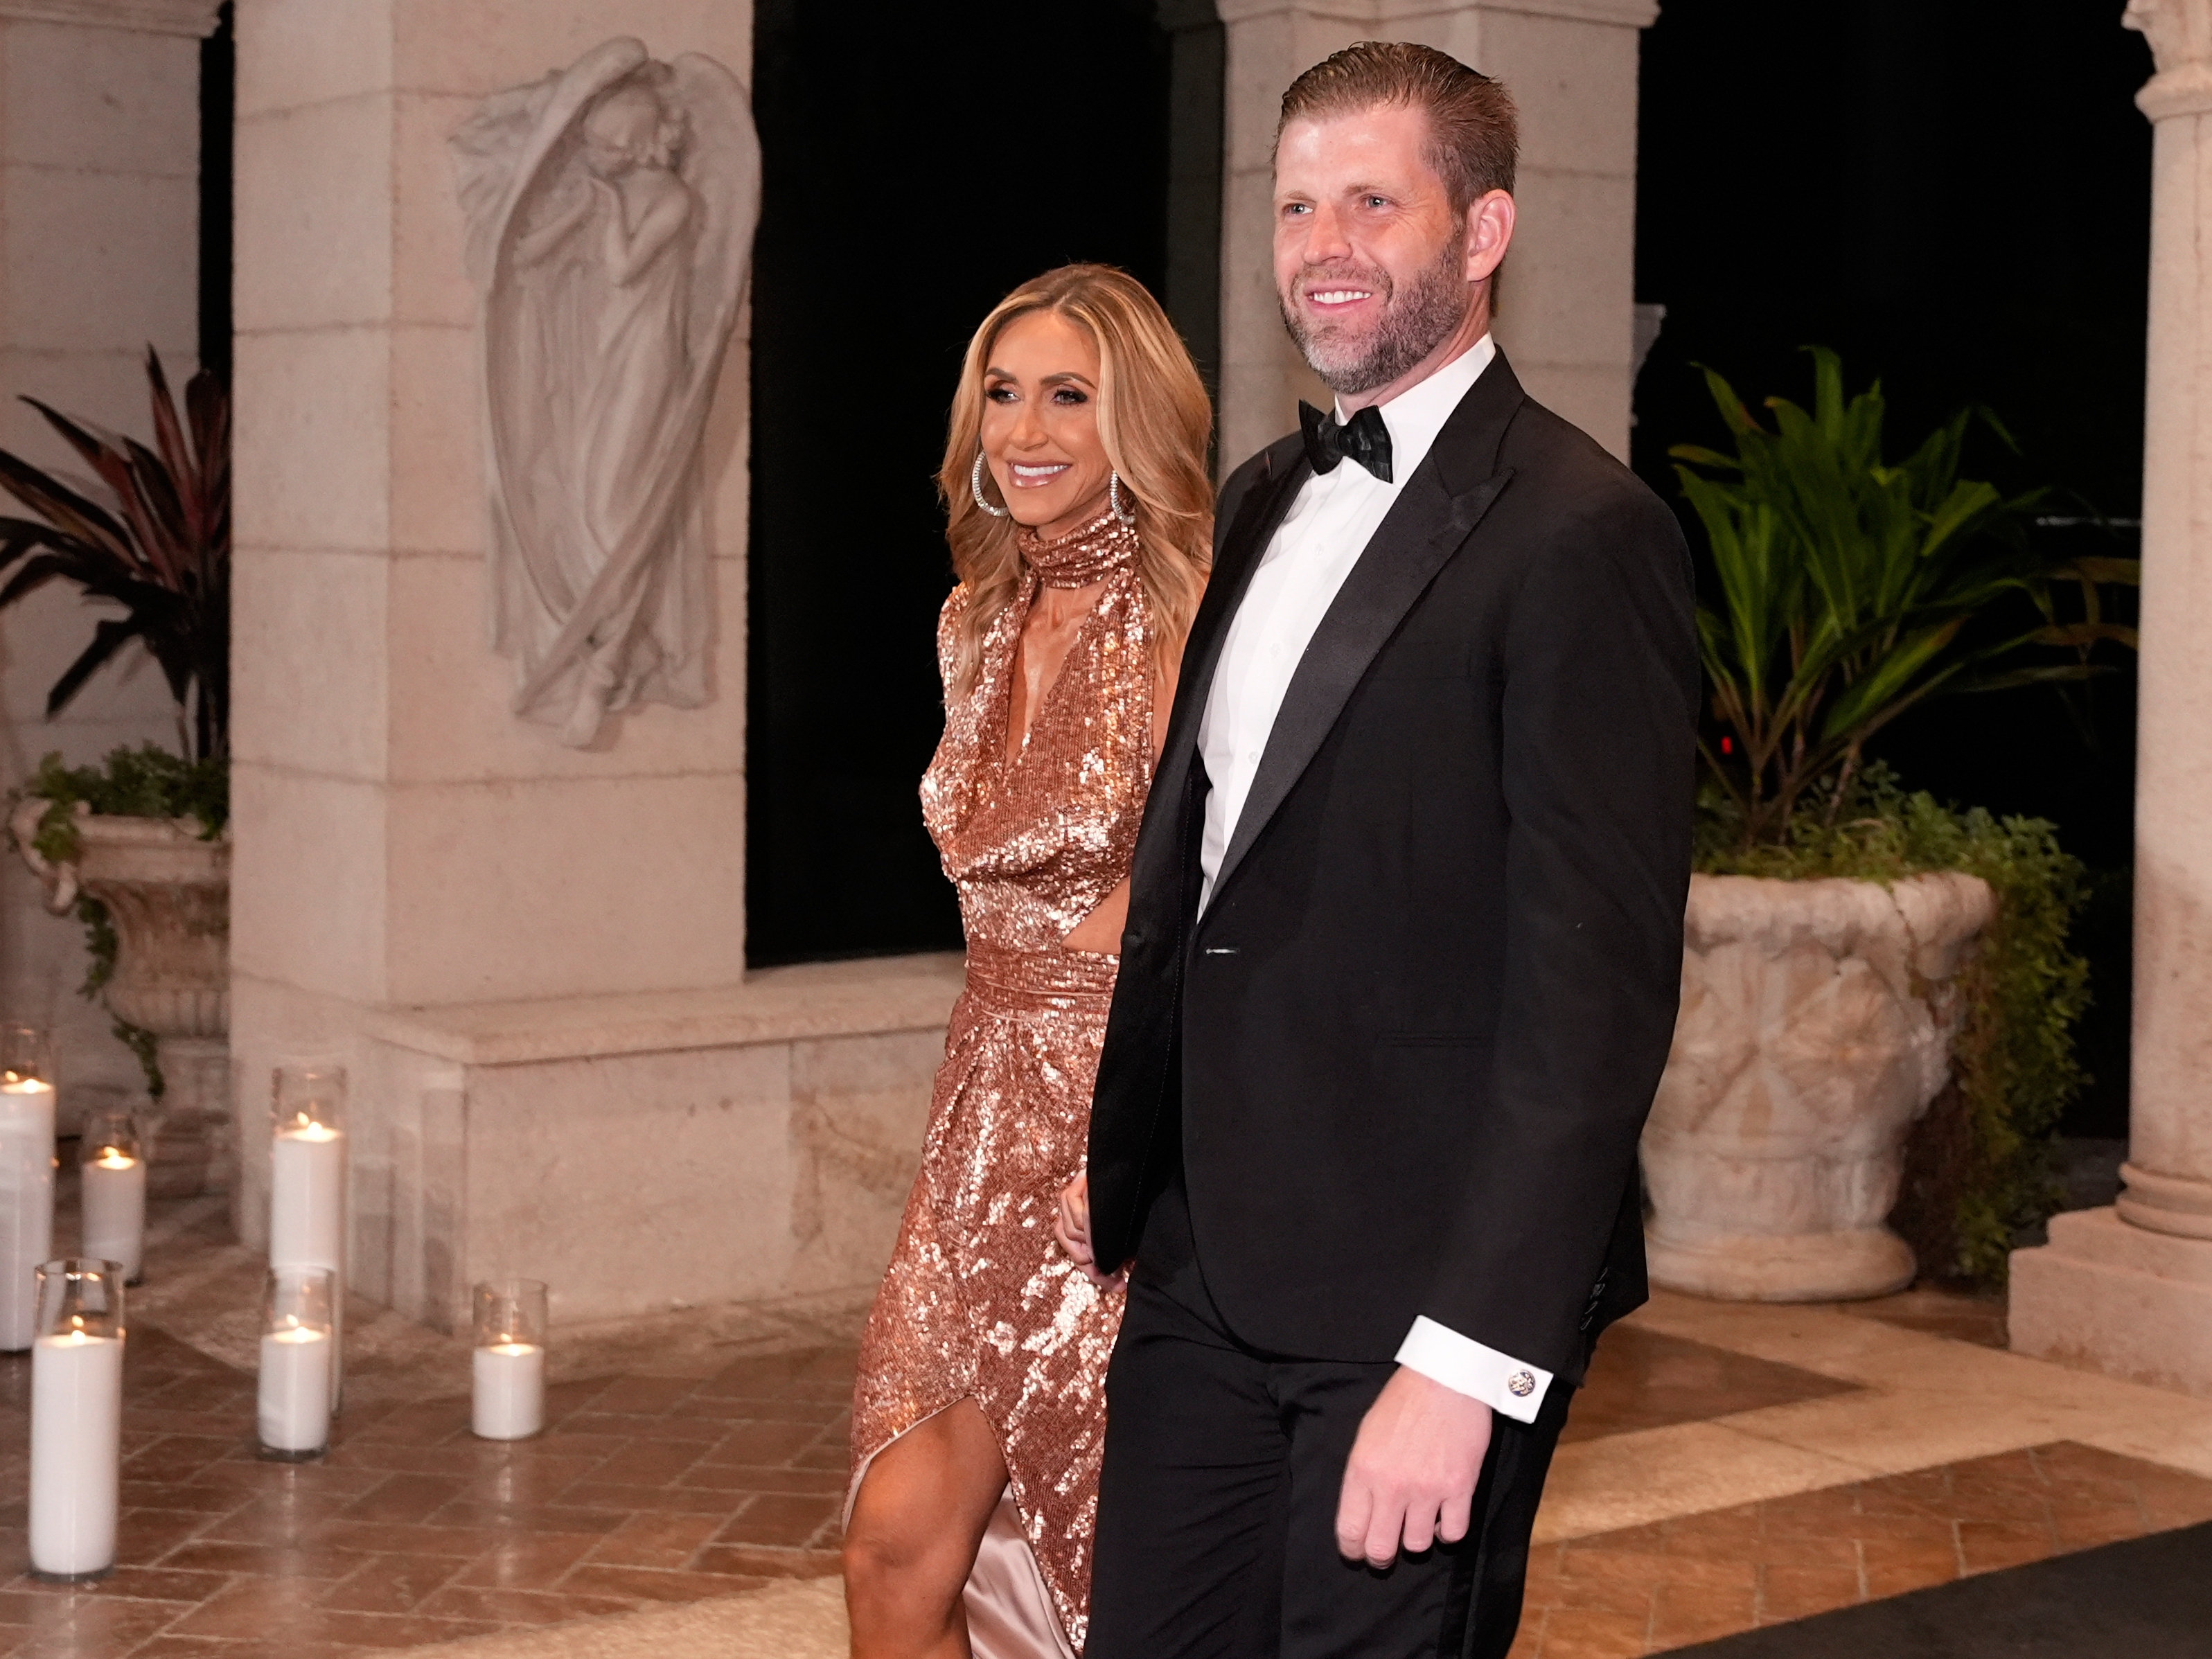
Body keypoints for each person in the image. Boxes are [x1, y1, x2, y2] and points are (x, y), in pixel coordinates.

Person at [1057, 42, 1698, 1659]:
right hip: (1203, 1273)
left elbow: (1593, 998)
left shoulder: (1582, 532)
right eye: (1293, 205)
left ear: (1479, 233)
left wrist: (1467, 1359)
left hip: (1415, 1298)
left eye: (1369, 202)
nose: (1319, 244)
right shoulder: (1268, 494)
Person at [844, 264, 1214, 1659]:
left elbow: (1208, 897)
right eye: (1002, 393)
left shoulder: (1188, 626)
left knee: (1094, 1560)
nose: (1026, 427)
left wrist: (1130, 1143)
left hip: (1109, 1119)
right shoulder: (972, 622)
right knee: (895, 1549)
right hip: (975, 1113)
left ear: (1138, 420)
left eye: (1069, 394)